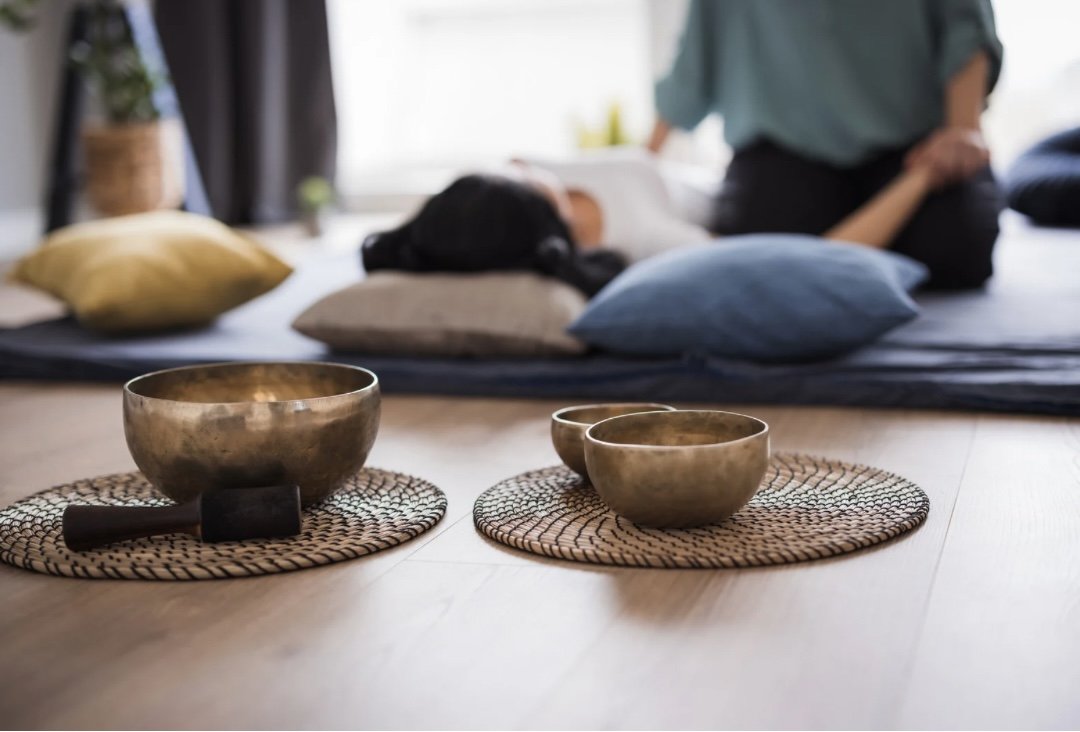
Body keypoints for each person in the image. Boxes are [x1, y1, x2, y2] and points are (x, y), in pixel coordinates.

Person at [648, 0, 1005, 289]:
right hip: (784, 148)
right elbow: (690, 75)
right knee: (764, 255)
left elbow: (965, 28)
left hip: (913, 145)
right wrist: (640, 165)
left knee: (957, 250)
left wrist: (959, 137)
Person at [362, 152, 937, 296]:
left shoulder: (527, 181)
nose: (515, 162)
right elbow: (811, 261)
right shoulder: (653, 244)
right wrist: (922, 178)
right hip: (748, 193)